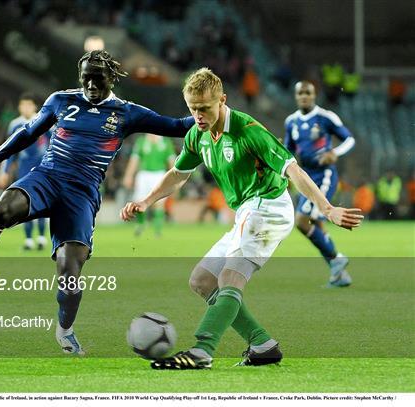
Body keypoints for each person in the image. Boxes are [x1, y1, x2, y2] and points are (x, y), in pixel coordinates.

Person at [0, 50, 194, 356]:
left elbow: (178, 126)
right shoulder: (61, 100)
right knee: (1, 208)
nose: (91, 84)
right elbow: (27, 133)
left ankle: (65, 330)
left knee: (69, 269)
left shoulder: (127, 113)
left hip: (82, 193)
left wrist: (209, 112)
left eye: (98, 78)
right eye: (86, 78)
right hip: (47, 177)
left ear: (111, 79)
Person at [120, 68, 363, 369]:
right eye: (193, 108)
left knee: (229, 277)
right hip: (247, 212)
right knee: (202, 280)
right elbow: (178, 174)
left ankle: (201, 351)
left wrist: (327, 209)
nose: (198, 115)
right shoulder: (198, 134)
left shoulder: (249, 130)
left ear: (222, 100)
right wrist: (145, 201)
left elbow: (293, 170)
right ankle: (262, 345)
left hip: (269, 208)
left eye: (205, 108)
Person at [284, 81, 356, 287]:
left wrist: (335, 152)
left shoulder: (326, 117)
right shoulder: (291, 121)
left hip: (323, 176)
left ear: (314, 95)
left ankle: (336, 258)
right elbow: (288, 150)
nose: (304, 96)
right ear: (296, 96)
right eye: (300, 93)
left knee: (301, 221)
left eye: (308, 93)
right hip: (305, 178)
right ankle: (339, 274)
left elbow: (349, 139)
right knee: (315, 223)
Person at [0, 93, 50, 250]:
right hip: (24, 168)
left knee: (42, 202)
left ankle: (41, 237)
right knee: (25, 203)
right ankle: (28, 240)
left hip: (42, 168)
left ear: (34, 106)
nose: (25, 108)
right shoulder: (15, 125)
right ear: (19, 107)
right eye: (23, 105)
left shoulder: (44, 119)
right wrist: (4, 171)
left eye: (28, 105)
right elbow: (9, 150)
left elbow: (53, 142)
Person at [122, 133, 175, 236]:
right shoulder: (141, 141)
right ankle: (141, 225)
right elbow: (134, 160)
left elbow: (171, 161)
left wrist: (173, 178)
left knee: (159, 203)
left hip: (159, 174)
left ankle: (157, 230)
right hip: (143, 174)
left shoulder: (165, 142)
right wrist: (128, 175)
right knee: (140, 201)